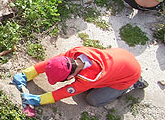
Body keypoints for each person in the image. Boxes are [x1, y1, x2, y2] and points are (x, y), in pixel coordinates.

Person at [11, 46, 148, 108]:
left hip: (128, 74)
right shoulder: (74, 54)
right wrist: (26, 74)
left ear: (70, 77)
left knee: (92, 99)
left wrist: (39, 100)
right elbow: (51, 63)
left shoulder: (89, 78)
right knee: (90, 91)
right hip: (121, 56)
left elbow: (66, 92)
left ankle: (132, 84)